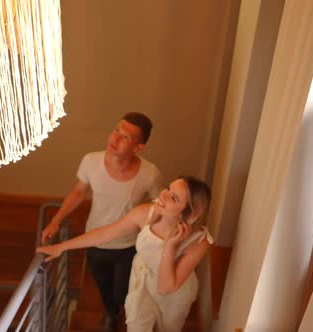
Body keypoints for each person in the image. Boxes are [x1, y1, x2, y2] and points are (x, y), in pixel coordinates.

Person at [38, 176, 213, 332]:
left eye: (173, 198)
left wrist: (170, 246)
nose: (163, 195)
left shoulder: (198, 241)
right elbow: (105, 234)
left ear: (190, 213)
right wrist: (62, 247)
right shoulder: (145, 213)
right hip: (142, 283)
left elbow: (165, 288)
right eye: (168, 188)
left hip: (174, 294)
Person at [40, 112, 162, 331]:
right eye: (117, 130)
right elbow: (78, 192)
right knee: (104, 288)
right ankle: (111, 313)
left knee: (124, 290)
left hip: (130, 245)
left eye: (125, 137)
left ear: (138, 147)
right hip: (94, 242)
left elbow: (159, 207)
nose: (114, 139)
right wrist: (56, 220)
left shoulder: (150, 174)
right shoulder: (91, 161)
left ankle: (125, 312)